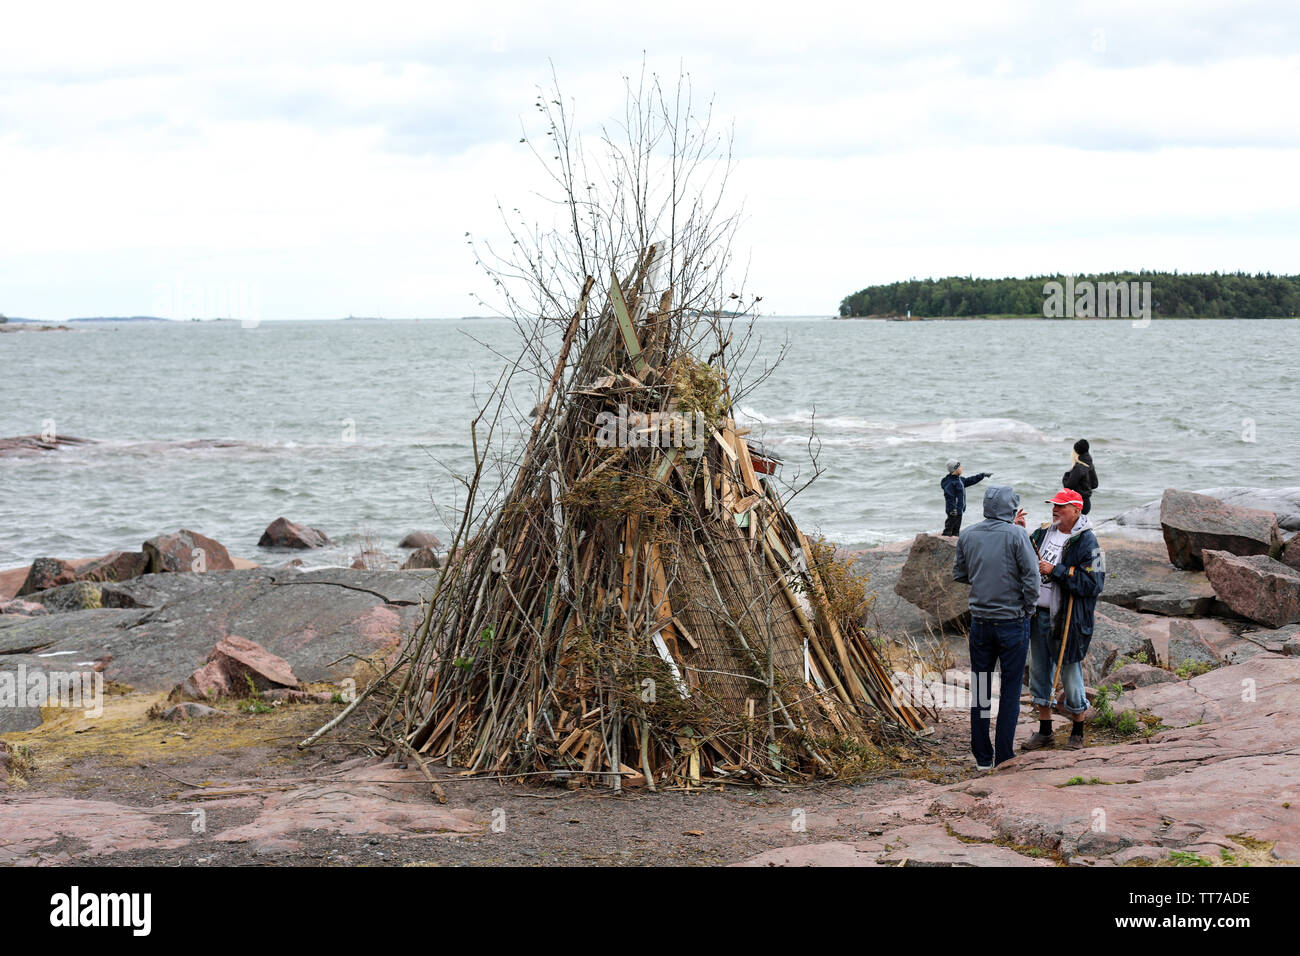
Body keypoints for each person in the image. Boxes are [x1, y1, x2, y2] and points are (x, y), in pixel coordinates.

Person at [953, 485, 1040, 769]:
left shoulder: (967, 534)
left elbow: (961, 574)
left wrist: (985, 579)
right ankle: (1004, 755)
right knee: (1011, 689)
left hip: (980, 622)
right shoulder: (1017, 534)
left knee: (980, 688)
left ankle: (982, 758)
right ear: (1011, 508)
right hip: (1012, 622)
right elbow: (1032, 576)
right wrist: (1027, 609)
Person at [1017, 488, 1105, 751]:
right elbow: (1028, 558)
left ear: (1077, 511)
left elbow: (1096, 582)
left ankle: (1078, 731)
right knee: (1040, 671)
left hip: (1068, 619)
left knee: (1070, 673)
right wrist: (1021, 532)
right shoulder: (1043, 533)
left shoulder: (1090, 542)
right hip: (1038, 615)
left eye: (1061, 506)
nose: (1055, 509)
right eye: (1053, 505)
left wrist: (1057, 570)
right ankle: (1045, 732)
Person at [940, 459, 992, 536]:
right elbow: (949, 497)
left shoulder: (960, 479)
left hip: (959, 510)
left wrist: (982, 475)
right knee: (949, 527)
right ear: (955, 469)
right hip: (953, 511)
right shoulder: (950, 482)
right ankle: (945, 539)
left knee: (956, 529)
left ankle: (955, 539)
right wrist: (952, 509)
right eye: (960, 467)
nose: (961, 468)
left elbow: (970, 480)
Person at [1061, 439, 1099, 515]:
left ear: (1076, 451)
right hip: (1086, 503)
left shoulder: (1079, 467)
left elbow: (1068, 486)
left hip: (1077, 504)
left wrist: (1066, 475)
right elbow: (1095, 484)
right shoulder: (1089, 464)